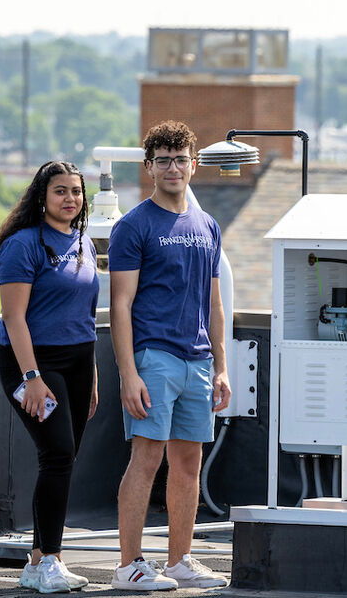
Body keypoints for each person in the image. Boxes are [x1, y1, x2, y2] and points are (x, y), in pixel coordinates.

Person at [108, 120, 231, 591]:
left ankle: (180, 560)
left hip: (198, 362)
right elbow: (120, 304)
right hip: (153, 358)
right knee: (147, 459)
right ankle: (129, 566)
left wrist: (222, 368)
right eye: (163, 160)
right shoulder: (133, 226)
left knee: (188, 464)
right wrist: (129, 373)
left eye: (181, 159)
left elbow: (214, 303)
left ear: (194, 165)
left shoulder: (208, 225)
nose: (173, 168)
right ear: (149, 167)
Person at [0, 160, 100, 594]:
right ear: (42, 196)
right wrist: (32, 377)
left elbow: (86, 314)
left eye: (76, 191)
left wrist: (91, 374)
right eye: (60, 191)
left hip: (77, 359)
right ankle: (48, 559)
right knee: (56, 454)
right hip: (32, 360)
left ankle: (40, 561)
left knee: (64, 458)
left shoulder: (83, 242)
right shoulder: (23, 245)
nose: (70, 198)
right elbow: (14, 318)